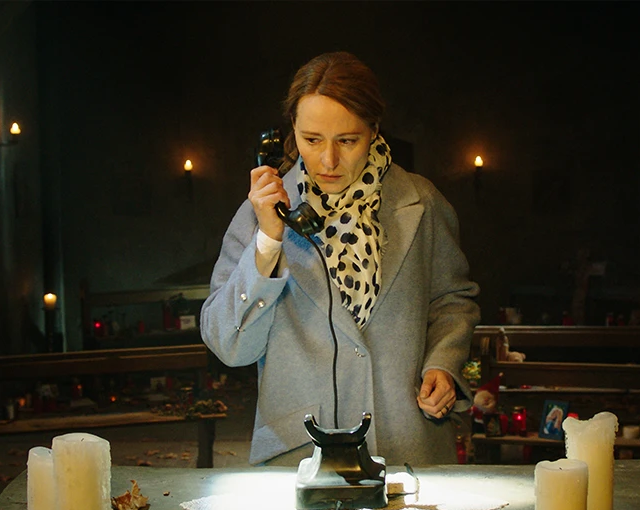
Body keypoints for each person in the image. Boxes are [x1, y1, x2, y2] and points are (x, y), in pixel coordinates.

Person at [200, 51, 480, 466]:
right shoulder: (260, 212)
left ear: (374, 130)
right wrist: (267, 242)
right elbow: (229, 345)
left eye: (347, 140)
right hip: (296, 455)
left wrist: (443, 364)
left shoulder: (422, 202)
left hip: (406, 449)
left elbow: (452, 300)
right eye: (311, 140)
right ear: (289, 132)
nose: (328, 161)